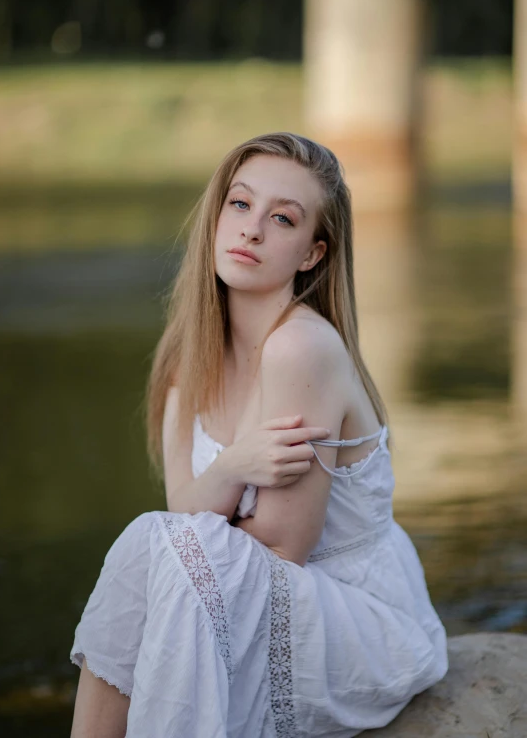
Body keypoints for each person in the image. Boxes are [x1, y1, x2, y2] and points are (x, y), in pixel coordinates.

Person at [69, 132, 448, 737]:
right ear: (217, 216)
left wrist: (208, 493)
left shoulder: (302, 348)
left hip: (352, 617)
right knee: (154, 545)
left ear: (312, 255)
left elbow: (281, 547)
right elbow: (182, 513)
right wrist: (233, 467)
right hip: (254, 594)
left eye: (283, 219)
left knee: (160, 546)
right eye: (241, 205)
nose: (251, 230)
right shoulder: (185, 358)